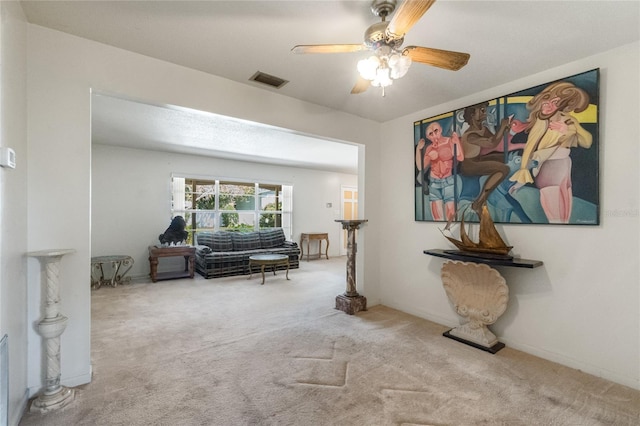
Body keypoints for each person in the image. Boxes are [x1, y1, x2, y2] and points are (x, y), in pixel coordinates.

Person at [509, 81, 592, 223]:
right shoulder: (541, 122)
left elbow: (587, 142)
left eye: (555, 102)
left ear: (562, 105)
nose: (548, 105)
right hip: (549, 168)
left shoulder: (568, 120)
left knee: (564, 214)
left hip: (563, 166)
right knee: (556, 217)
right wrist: (522, 176)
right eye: (546, 100)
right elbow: (530, 148)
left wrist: (569, 130)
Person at [459, 102, 512, 213]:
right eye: (481, 110)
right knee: (504, 169)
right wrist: (502, 127)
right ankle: (479, 201)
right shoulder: (471, 135)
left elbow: (494, 139)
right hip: (469, 165)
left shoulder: (482, 128)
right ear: (472, 115)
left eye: (484, 110)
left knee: (503, 157)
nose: (485, 112)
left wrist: (504, 130)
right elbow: (491, 143)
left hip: (477, 159)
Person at [415, 122, 464, 221]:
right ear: (428, 137)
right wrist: (418, 150)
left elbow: (460, 157)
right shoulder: (429, 148)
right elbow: (421, 167)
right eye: (430, 134)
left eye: (435, 131)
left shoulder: (449, 142)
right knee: (437, 218)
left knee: (452, 217)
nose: (434, 135)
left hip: (448, 182)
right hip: (434, 183)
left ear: (441, 130)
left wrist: (457, 142)